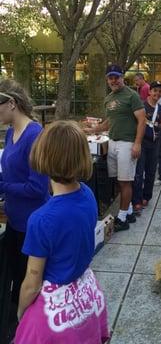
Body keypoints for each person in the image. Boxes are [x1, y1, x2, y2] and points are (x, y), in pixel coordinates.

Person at [14, 121, 109, 344]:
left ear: (43, 156)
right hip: (86, 294)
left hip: (54, 313)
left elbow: (32, 281)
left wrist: (21, 312)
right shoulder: (87, 194)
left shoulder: (41, 219)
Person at [0, 79, 49, 331]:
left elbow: (37, 188)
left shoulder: (35, 135)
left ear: (11, 103)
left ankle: (28, 329)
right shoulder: (9, 132)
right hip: (14, 220)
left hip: (31, 224)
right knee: (13, 277)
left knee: (28, 282)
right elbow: (9, 172)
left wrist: (3, 187)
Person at [84, 65, 145, 232]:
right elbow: (109, 121)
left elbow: (142, 120)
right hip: (112, 142)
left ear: (122, 77)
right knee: (118, 181)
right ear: (107, 79)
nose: (114, 80)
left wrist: (137, 143)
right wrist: (93, 130)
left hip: (127, 143)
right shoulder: (108, 98)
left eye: (117, 77)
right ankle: (130, 211)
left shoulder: (132, 96)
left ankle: (122, 218)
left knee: (125, 182)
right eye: (111, 77)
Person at [132, 81, 161, 213]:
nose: (157, 93)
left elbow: (159, 123)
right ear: (150, 91)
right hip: (142, 143)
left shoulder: (160, 108)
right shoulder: (141, 106)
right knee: (139, 173)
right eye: (155, 91)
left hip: (155, 142)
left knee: (151, 171)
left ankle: (147, 196)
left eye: (160, 91)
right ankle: (137, 200)